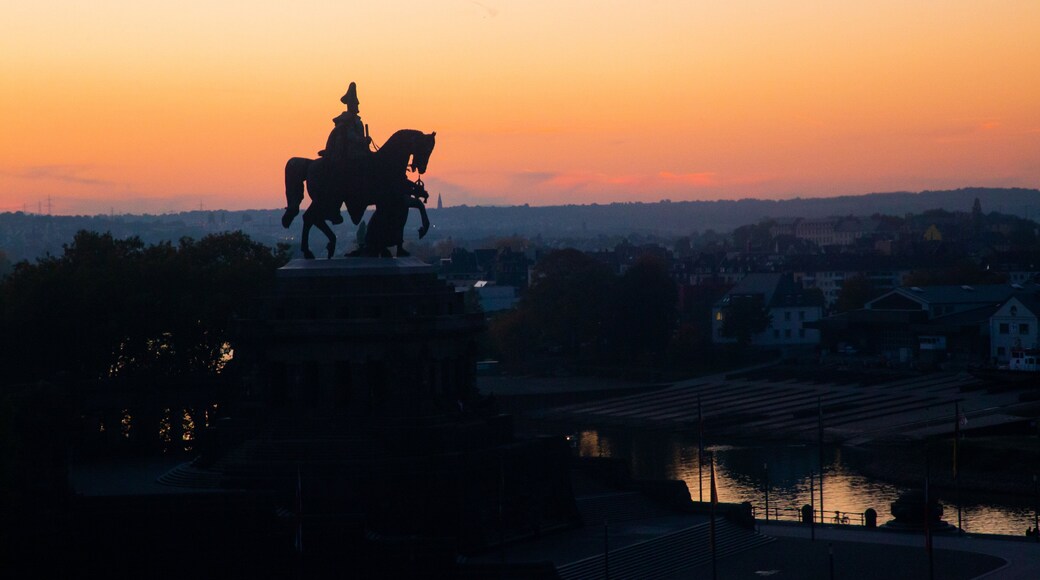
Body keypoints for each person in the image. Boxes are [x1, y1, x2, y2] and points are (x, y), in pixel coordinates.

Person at [317, 82, 372, 224]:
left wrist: (366, 142)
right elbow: (350, 137)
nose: (357, 107)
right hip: (350, 154)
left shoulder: (356, 120)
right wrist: (363, 141)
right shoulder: (346, 121)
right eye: (355, 104)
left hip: (359, 152)